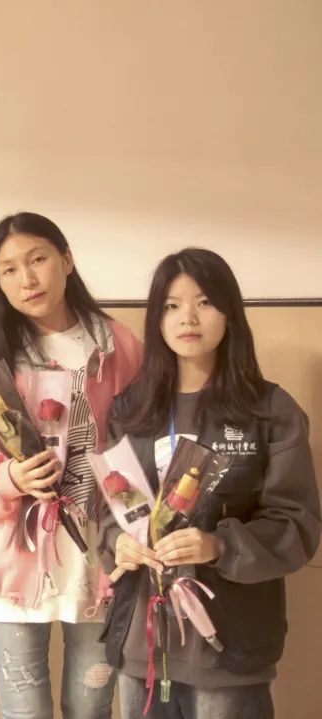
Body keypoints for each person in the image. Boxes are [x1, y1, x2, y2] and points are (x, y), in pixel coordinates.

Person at [102, 248, 321, 719]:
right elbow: (108, 508)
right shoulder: (130, 410)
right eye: (172, 305)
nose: (188, 317)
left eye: (204, 302)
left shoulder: (269, 410)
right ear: (157, 320)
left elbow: (297, 524)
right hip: (142, 640)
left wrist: (218, 545)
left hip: (227, 647)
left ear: (229, 313)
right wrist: (117, 541)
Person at [0, 212, 142, 718]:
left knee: (91, 704)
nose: (27, 278)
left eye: (37, 259)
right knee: (24, 710)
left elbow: (145, 443)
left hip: (101, 557)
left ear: (66, 260)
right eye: (9, 270)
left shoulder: (118, 346)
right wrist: (8, 478)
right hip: (14, 560)